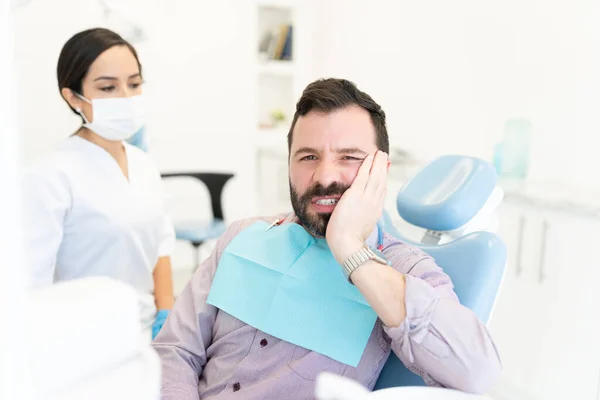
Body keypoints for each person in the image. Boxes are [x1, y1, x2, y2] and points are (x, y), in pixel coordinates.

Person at [153, 78, 502, 398]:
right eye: (308, 157)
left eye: (349, 157)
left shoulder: (403, 272)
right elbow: (175, 350)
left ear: (380, 170)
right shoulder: (241, 237)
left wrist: (351, 248)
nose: (324, 176)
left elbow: (478, 373)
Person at [22, 28, 175, 339]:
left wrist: (167, 315)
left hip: (148, 331)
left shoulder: (143, 163)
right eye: (108, 88)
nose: (127, 98)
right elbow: (30, 283)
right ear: (73, 97)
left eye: (134, 84)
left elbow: (161, 243)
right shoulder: (49, 175)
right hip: (82, 337)